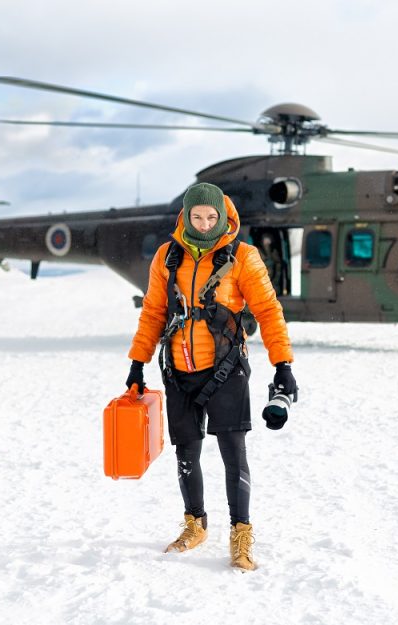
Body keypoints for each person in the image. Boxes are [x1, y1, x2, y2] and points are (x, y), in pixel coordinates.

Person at [125, 182, 296, 572]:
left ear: (222, 216)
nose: (204, 225)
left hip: (226, 371)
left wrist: (282, 365)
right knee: (186, 453)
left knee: (233, 455)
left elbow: (269, 311)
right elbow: (153, 312)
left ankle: (240, 533)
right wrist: (137, 362)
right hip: (178, 371)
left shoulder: (244, 258)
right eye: (197, 217)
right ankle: (195, 524)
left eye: (211, 217)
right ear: (185, 216)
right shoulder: (166, 257)